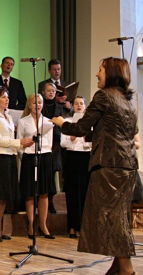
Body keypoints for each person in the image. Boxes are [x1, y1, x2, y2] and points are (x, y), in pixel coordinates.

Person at [51, 57, 139, 275]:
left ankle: (127, 269)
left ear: (110, 73)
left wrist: (62, 122)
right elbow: (119, 131)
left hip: (110, 165)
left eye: (100, 70)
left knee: (111, 218)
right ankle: (116, 267)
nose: (97, 74)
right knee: (116, 216)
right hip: (127, 165)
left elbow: (80, 127)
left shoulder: (104, 96)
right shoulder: (127, 100)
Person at [0, 86, 23, 242]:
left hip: (9, 156)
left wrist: (17, 146)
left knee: (6, 194)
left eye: (7, 97)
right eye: (3, 97)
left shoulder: (8, 116)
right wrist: (19, 142)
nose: (7, 99)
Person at [17, 94, 56, 239]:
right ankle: (31, 225)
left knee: (44, 192)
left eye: (40, 103)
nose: (37, 105)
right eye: (34, 103)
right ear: (29, 104)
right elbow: (19, 142)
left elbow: (50, 143)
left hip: (44, 156)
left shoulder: (47, 121)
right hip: (29, 157)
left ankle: (43, 225)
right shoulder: (23, 122)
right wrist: (25, 155)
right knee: (30, 193)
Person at [60, 96, 91, 239]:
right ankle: (72, 227)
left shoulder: (89, 123)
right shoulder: (67, 122)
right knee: (72, 194)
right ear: (72, 106)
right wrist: (71, 139)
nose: (79, 105)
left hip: (86, 158)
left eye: (81, 103)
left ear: (85, 106)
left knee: (85, 193)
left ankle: (84, 227)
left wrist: (85, 142)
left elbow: (93, 142)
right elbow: (63, 144)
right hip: (72, 158)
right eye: (76, 103)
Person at [41, 82, 67, 214]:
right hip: (43, 141)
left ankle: (51, 202)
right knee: (43, 173)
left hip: (56, 143)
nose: (51, 92)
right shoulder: (40, 105)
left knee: (52, 172)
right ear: (43, 92)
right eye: (48, 90)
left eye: (53, 90)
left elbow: (63, 124)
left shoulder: (59, 107)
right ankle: (42, 202)